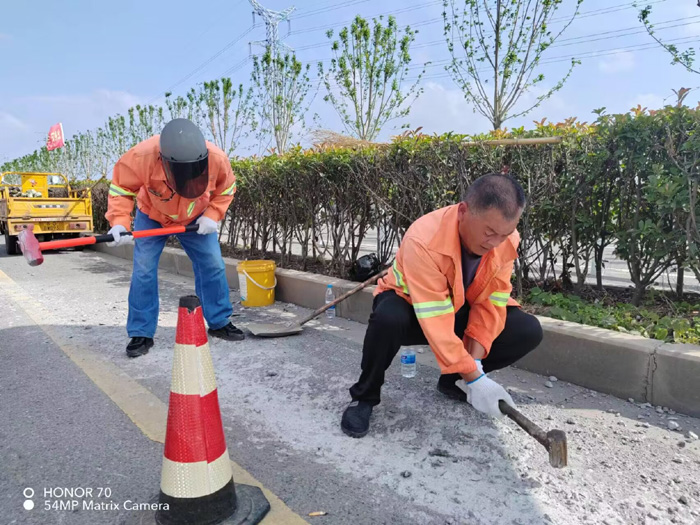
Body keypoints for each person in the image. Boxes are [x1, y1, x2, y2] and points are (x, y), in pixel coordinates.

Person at [341, 173, 543, 438]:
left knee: (526, 329)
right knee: (388, 318)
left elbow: (491, 301)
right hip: (412, 306)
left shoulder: (507, 239)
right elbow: (435, 317)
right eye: (489, 232)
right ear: (463, 211)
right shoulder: (424, 239)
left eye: (504, 235)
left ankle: (453, 381)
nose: (495, 243)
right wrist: (476, 377)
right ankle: (364, 396)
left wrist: (475, 366)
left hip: (456, 306)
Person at [105, 118, 245, 358]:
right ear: (164, 161)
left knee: (212, 264)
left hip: (196, 216)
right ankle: (141, 332)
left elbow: (227, 188)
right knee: (144, 270)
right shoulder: (141, 157)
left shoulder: (217, 158)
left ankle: (219, 321)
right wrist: (119, 223)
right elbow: (121, 189)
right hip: (152, 215)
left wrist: (212, 214)